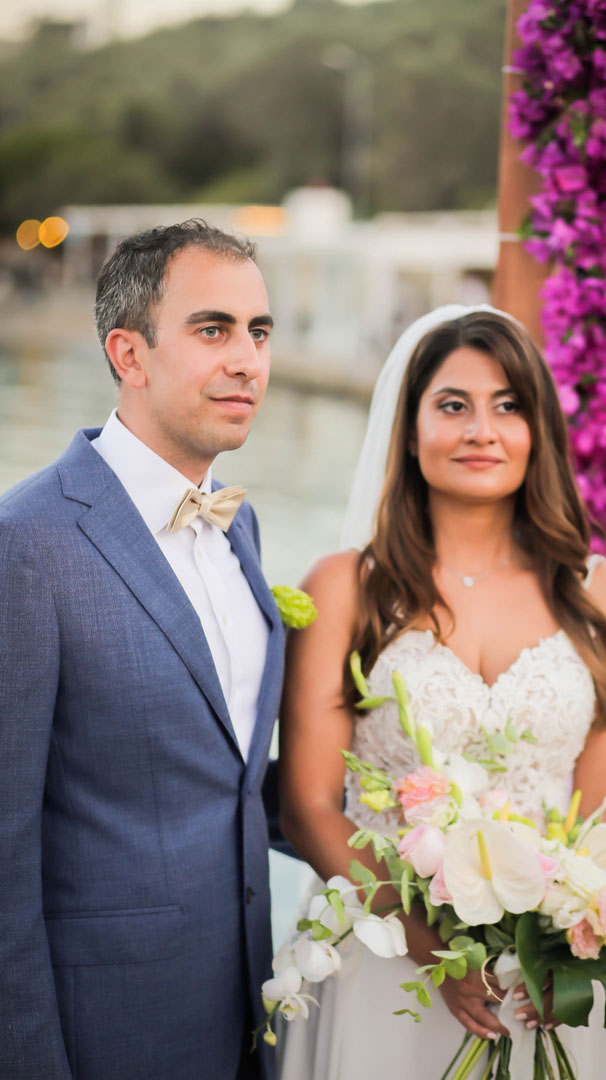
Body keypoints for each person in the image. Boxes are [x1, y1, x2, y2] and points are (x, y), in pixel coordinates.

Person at [277, 306, 606, 1078]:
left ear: (538, 429)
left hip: (545, 980)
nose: (482, 430)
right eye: (453, 406)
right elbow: (308, 805)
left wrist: (566, 949)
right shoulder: (345, 588)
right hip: (380, 954)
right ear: (409, 431)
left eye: (508, 406)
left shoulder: (600, 595)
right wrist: (427, 942)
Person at [0, 220, 285, 1080]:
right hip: (104, 1036)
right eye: (213, 330)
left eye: (259, 331)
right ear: (129, 353)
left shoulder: (241, 527)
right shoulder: (27, 544)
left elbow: (226, 778)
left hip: (245, 1017)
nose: (248, 360)